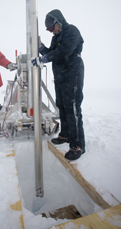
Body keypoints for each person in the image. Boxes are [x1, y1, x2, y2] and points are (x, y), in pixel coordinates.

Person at [31, 9, 85, 160]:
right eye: (48, 30)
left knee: (72, 107)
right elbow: (52, 52)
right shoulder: (56, 37)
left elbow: (64, 51)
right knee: (61, 104)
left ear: (58, 22)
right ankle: (65, 135)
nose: (50, 31)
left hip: (72, 73)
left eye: (51, 28)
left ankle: (78, 145)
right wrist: (41, 48)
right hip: (60, 75)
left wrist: (44, 59)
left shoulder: (71, 31)